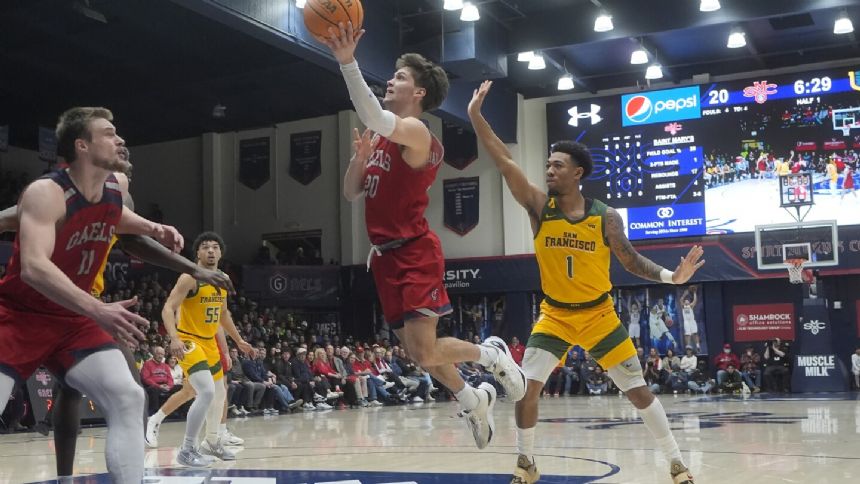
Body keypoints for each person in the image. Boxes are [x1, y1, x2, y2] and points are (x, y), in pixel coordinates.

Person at [468, 81, 702, 484]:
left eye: (557, 165)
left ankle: (677, 462)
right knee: (527, 390)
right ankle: (526, 464)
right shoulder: (540, 207)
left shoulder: (605, 216)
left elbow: (629, 260)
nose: (549, 170)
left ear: (577, 173)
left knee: (638, 391)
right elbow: (506, 162)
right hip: (555, 315)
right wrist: (475, 117)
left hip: (599, 315)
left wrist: (670, 276)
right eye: (547, 165)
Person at [317, 22, 525, 449]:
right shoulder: (380, 137)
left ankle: (491, 354)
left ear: (419, 94)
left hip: (414, 252)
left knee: (427, 352)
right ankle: (473, 398)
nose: (391, 81)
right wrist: (359, 159)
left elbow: (374, 114)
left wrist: (348, 63)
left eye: (400, 77)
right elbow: (351, 192)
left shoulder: (417, 133)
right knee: (418, 353)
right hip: (385, 257)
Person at [0, 148, 234, 480]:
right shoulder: (57, 192)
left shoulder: (119, 198)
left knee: (125, 391)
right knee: (70, 391)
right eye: (110, 136)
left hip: (80, 309)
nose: (120, 144)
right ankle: (65, 475)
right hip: (28, 308)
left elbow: (134, 242)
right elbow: (7, 218)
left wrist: (193, 268)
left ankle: (123, 471)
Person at [160, 232, 255, 466]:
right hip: (188, 340)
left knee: (220, 393)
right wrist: (173, 338)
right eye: (205, 247)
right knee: (206, 391)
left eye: (215, 247)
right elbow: (167, 308)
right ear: (198, 253)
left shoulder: (222, 278)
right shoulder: (189, 277)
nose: (210, 251)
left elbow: (222, 314)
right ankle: (187, 449)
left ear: (221, 253)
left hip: (209, 342)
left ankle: (211, 442)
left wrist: (239, 340)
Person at [680, 288, 700, 353]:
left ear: (689, 302)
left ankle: (697, 345)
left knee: (695, 333)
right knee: (687, 334)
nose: (686, 301)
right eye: (685, 300)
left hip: (692, 321)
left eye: (687, 300)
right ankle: (688, 345)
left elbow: (695, 300)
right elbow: (681, 300)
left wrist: (694, 293)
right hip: (686, 321)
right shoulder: (683, 306)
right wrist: (684, 294)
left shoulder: (691, 306)